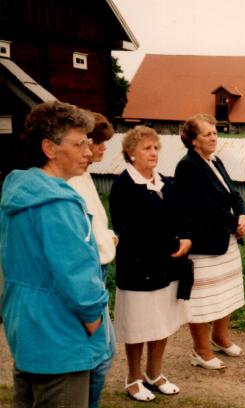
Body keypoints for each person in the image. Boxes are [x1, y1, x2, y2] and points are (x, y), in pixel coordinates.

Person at [0, 100, 111, 407]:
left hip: (26, 324)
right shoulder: (58, 203)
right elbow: (76, 274)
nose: (88, 152)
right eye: (78, 144)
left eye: (88, 143)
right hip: (60, 334)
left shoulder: (19, 191)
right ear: (49, 148)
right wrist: (93, 318)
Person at [109, 125, 192, 401]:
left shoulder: (165, 182)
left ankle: (154, 374)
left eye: (156, 147)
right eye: (147, 148)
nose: (153, 152)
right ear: (131, 153)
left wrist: (185, 238)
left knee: (162, 322)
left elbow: (182, 215)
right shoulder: (124, 185)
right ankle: (132, 378)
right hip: (138, 268)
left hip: (167, 266)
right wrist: (162, 240)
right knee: (138, 325)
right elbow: (125, 227)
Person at [175, 114, 245, 369]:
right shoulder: (188, 166)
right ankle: (200, 350)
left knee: (225, 291)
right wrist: (233, 223)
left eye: (215, 132)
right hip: (204, 243)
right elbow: (202, 207)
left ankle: (220, 337)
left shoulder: (215, 160)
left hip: (224, 239)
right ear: (193, 141)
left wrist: (243, 216)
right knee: (203, 298)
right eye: (207, 134)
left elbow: (234, 193)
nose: (214, 137)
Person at [68, 112, 118, 408]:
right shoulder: (71, 180)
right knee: (100, 355)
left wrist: (108, 235)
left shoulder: (84, 175)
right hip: (90, 273)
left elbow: (94, 220)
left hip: (100, 266)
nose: (101, 150)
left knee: (103, 353)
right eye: (99, 143)